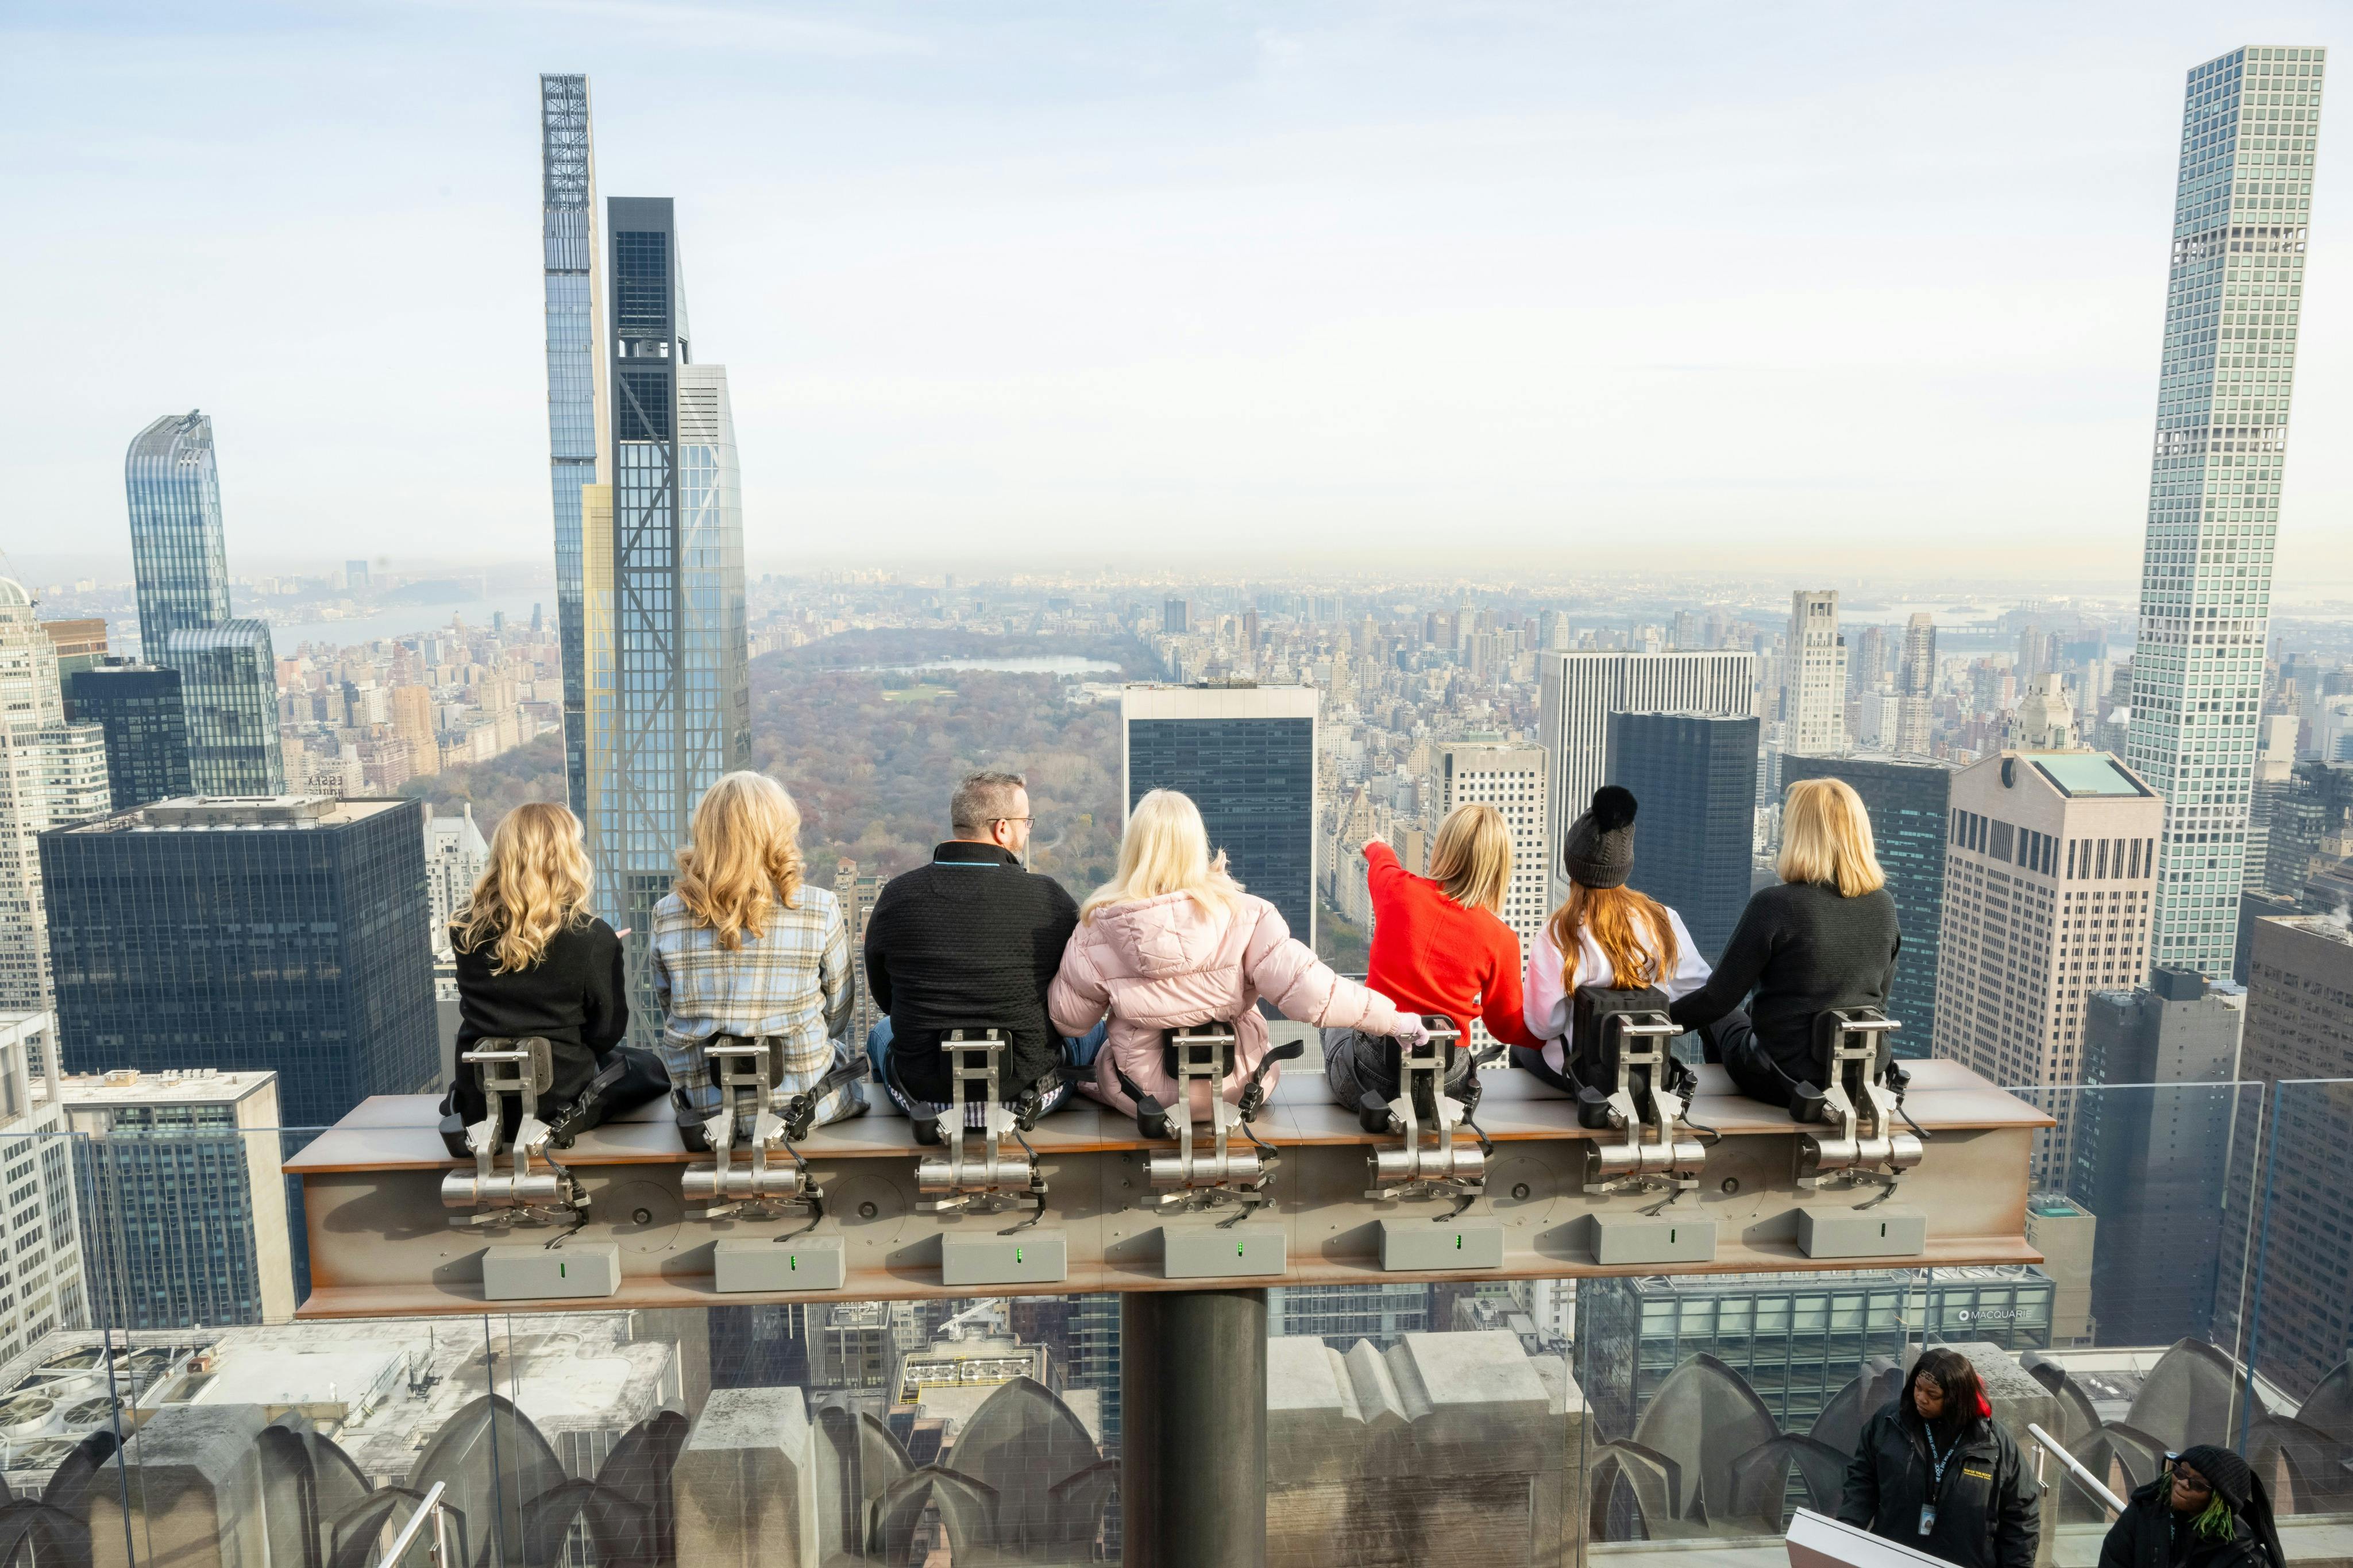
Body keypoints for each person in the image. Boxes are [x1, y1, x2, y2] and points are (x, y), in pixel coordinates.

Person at [1054, 789, 1425, 1122]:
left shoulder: (1097, 929)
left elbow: (1071, 1023)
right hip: (1239, 1087)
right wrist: (1395, 1022)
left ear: (1133, 850)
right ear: (1196, 847)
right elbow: (1315, 992)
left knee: (1100, 1039)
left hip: (1142, 1097)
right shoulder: (1247, 915)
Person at [864, 770, 1102, 1124]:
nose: (1027, 831)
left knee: (881, 1032)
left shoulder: (897, 896)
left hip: (923, 1098)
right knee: (1097, 1029)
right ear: (1002, 828)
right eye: (1026, 822)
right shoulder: (1049, 898)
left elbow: (887, 999)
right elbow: (1070, 996)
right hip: (1028, 1095)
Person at [650, 771, 865, 1137]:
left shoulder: (666, 914)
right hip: (802, 1107)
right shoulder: (819, 908)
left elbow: (670, 1005)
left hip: (705, 1111)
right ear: (780, 831)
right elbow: (837, 1013)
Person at [1667, 775, 1903, 1108]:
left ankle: (1725, 1108)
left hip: (1783, 1080)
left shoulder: (1775, 905)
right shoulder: (1884, 905)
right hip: (1862, 1079)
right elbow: (1879, 1002)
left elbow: (1717, 1000)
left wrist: (1648, 1026)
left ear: (1799, 835)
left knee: (1719, 1018)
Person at [1324, 804, 1540, 1110]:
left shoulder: (1398, 890)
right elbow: (1506, 1026)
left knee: (1338, 1006)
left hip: (1369, 1083)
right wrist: (1553, 1041)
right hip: (1446, 1092)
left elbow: (1383, 866)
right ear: (1498, 868)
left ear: (1442, 849)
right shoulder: (1501, 939)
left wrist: (1376, 847)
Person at [447, 801, 630, 1141]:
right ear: (567, 858)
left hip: (480, 1105)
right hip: (558, 1108)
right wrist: (599, 957)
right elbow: (606, 1034)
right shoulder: (591, 936)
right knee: (645, 1068)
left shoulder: (464, 927)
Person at [1514, 786, 1712, 1094]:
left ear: (1571, 865)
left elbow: (1543, 1025)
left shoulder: (1559, 933)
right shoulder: (1661, 919)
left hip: (1579, 1074)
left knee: (1520, 1049)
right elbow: (1698, 987)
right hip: (1645, 1071)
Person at [1838, 1347, 2039, 1568]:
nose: (1921, 1398)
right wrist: (1846, 1532)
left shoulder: (1995, 1445)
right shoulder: (1889, 1422)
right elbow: (1862, 1480)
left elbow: (2021, 1516)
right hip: (1893, 1559)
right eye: (1917, 1387)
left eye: (1932, 1395)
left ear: (1956, 1398)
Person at [2096, 1445, 2285, 1568]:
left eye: (2197, 1484)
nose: (2183, 1483)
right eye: (2180, 1472)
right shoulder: (2143, 1513)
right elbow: (2113, 1561)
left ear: (2220, 1501)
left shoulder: (2246, 1558)